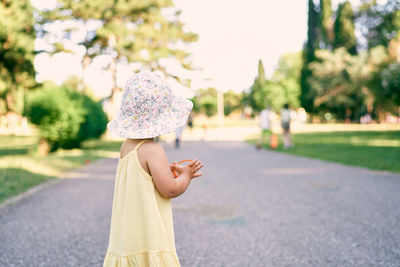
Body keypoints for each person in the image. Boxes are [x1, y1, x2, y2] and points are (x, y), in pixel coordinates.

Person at [104, 71, 204, 267]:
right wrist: (186, 175)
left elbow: (142, 177)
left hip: (125, 240)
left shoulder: (127, 146)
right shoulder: (153, 149)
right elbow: (170, 189)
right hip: (148, 240)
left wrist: (164, 171)